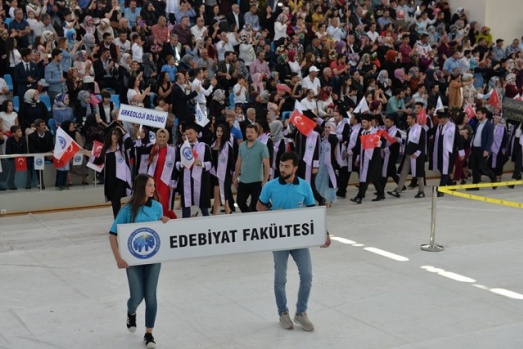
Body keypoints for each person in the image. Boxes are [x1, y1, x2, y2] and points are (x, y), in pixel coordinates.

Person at [256, 151, 331, 332]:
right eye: (281, 166)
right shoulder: (270, 186)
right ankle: (283, 313)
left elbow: (313, 212)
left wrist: (325, 233)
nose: (283, 169)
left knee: (307, 275)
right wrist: (273, 214)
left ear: (295, 168)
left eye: (287, 166)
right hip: (279, 240)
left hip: (299, 239)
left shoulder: (304, 186)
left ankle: (301, 312)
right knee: (280, 278)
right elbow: (259, 206)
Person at [109, 173, 170, 349]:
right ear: (141, 187)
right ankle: (131, 311)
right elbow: (112, 234)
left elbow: (159, 231)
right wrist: (118, 258)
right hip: (133, 261)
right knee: (137, 296)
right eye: (150, 185)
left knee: (151, 296)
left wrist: (164, 222)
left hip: (153, 259)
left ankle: (149, 333)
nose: (153, 188)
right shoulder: (127, 210)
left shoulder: (157, 207)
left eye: (153, 185)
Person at [85, 126, 133, 218]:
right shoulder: (106, 149)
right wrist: (89, 155)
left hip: (121, 179)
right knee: (114, 201)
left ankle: (119, 220)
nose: (115, 136)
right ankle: (117, 221)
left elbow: (130, 143)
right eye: (113, 134)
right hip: (110, 179)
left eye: (117, 134)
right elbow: (99, 161)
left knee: (116, 198)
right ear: (110, 135)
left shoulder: (122, 147)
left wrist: (123, 131)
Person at [175, 124, 212, 218]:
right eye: (186, 134)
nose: (188, 136)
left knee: (203, 208)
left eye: (190, 133)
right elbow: (176, 163)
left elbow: (210, 164)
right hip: (186, 180)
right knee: (186, 207)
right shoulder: (181, 147)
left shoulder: (204, 147)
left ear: (196, 134)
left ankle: (209, 225)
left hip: (200, 180)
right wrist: (182, 164)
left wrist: (201, 164)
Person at [388, 114, 426, 199]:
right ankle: (398, 190)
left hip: (416, 155)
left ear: (413, 119)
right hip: (408, 154)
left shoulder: (421, 129)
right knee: (403, 173)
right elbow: (407, 142)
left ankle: (421, 191)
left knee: (419, 174)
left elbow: (422, 143)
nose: (407, 120)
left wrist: (417, 153)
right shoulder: (409, 129)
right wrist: (398, 139)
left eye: (409, 119)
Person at [233, 124, 270, 213]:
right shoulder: (242, 146)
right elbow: (239, 161)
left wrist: (265, 179)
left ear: (257, 133)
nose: (249, 134)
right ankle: (248, 217)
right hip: (243, 180)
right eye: (247, 132)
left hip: (256, 181)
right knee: (240, 202)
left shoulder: (262, 146)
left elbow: (267, 164)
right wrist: (235, 176)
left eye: (251, 132)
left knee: (254, 205)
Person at [350, 114, 386, 204]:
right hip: (363, 157)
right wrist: (357, 158)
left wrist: (376, 142)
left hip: (373, 159)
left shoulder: (376, 132)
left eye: (365, 122)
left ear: (370, 122)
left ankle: (360, 197)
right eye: (362, 122)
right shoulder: (362, 132)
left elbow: (383, 143)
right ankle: (381, 193)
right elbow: (359, 147)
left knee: (365, 178)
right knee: (372, 178)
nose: (363, 124)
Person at [429, 111, 465, 194]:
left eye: (441, 118)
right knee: (442, 170)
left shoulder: (453, 127)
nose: (440, 120)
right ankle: (451, 185)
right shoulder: (438, 126)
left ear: (446, 118)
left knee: (445, 171)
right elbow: (430, 132)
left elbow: (458, 140)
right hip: (439, 152)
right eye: (439, 118)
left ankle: (441, 190)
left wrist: (461, 153)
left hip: (448, 153)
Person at [147, 129, 178, 219]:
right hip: (154, 179)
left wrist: (174, 180)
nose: (162, 139)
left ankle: (173, 220)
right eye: (160, 136)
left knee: (164, 203)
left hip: (165, 180)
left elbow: (175, 166)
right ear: (156, 137)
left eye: (164, 137)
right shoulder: (153, 148)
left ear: (167, 138)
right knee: (156, 202)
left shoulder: (172, 150)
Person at [466, 107, 497, 191]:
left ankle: (493, 177)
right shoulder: (478, 124)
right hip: (475, 148)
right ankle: (475, 184)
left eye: (479, 113)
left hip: (482, 149)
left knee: (483, 167)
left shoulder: (489, 125)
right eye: (477, 113)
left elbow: (490, 139)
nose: (477, 115)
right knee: (474, 167)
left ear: (484, 114)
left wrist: (487, 150)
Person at [209, 123, 234, 215]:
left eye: (221, 131)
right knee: (217, 194)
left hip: (225, 174)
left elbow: (232, 161)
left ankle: (222, 212)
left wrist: (233, 175)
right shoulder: (212, 144)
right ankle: (224, 212)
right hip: (214, 174)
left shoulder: (227, 145)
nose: (219, 133)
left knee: (223, 195)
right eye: (218, 131)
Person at [315, 122, 339, 207]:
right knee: (319, 180)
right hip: (322, 162)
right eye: (325, 127)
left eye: (329, 127)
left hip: (329, 163)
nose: (326, 129)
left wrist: (330, 134)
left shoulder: (333, 139)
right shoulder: (323, 139)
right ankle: (321, 197)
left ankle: (330, 199)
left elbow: (334, 143)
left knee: (329, 182)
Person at [28, 119, 54, 189]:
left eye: (44, 124)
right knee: (38, 162)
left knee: (59, 159)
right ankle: (41, 183)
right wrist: (45, 154)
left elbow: (52, 146)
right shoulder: (31, 136)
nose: (44, 126)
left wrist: (50, 153)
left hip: (48, 154)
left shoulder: (49, 134)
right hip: (38, 155)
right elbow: (32, 150)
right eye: (42, 125)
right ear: (37, 127)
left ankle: (60, 182)